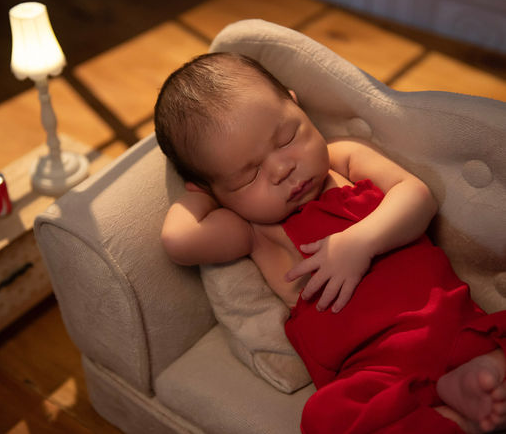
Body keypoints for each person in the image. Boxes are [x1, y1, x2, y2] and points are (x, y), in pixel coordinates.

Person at [154, 52, 506, 434]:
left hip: (452, 320)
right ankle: (457, 412)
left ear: (296, 105)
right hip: (374, 369)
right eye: (248, 175)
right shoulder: (252, 230)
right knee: (325, 417)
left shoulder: (342, 159)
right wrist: (206, 194)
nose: (282, 168)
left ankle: (480, 375)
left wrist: (361, 242)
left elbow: (416, 196)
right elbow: (178, 241)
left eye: (286, 138)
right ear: (214, 190)